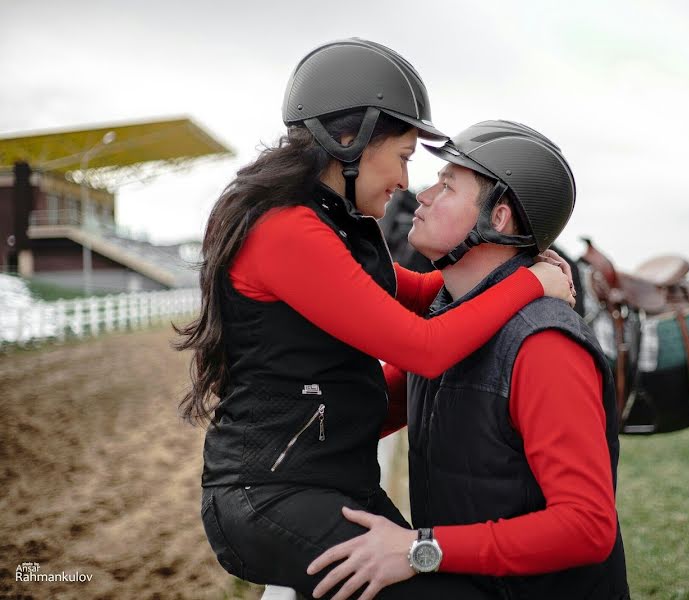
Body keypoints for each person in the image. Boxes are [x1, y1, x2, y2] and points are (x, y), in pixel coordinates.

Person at [174, 41, 574, 599]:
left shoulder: (334, 224)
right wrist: (533, 284)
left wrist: (509, 262)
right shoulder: (287, 230)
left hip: (328, 484)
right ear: (348, 140)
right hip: (270, 496)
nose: (407, 182)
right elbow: (425, 347)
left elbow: (421, 291)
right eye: (406, 155)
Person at [308, 121, 630, 600]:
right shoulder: (449, 322)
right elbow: (363, 415)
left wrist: (420, 548)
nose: (422, 194)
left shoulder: (544, 346)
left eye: (447, 185)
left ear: (497, 219)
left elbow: (586, 526)